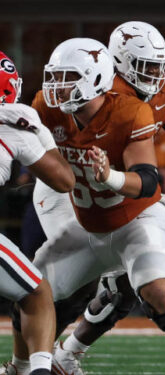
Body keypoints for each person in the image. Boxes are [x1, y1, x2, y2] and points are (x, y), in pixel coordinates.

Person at [34, 22, 165, 375]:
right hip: (69, 188)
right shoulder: (91, 93)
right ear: (114, 64)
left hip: (120, 188)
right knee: (72, 287)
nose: (156, 77)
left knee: (131, 283)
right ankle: (32, 361)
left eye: (158, 66)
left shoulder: (154, 96)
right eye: (145, 67)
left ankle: (66, 355)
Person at [0, 51, 76, 375]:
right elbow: (63, 180)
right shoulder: (13, 124)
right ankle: (39, 370)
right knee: (36, 291)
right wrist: (42, 134)